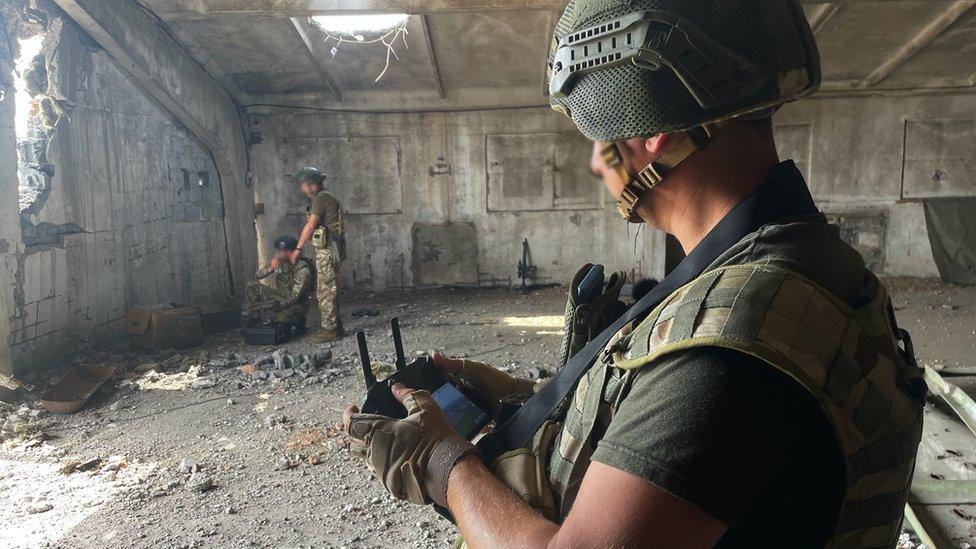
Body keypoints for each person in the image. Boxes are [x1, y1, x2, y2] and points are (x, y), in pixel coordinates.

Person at [342, 1, 926, 547]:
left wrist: (441, 461)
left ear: (652, 134)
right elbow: (670, 435)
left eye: (599, 138)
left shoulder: (735, 347)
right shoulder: (784, 259)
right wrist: (517, 395)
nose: (598, 162)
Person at [291, 166, 346, 343]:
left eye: (303, 185)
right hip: (332, 249)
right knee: (330, 289)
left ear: (311, 184)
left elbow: (310, 225)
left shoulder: (321, 199)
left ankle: (330, 331)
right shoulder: (327, 196)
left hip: (327, 250)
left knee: (325, 291)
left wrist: (297, 249)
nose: (302, 189)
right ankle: (336, 327)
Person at [243, 235, 314, 332]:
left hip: (297, 304)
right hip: (280, 296)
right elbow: (258, 276)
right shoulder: (281, 262)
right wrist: (270, 268)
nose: (277, 253)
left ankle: (299, 321)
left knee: (281, 317)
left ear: (289, 252)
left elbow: (295, 297)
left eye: (280, 251)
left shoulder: (302, 270)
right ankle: (254, 321)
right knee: (251, 286)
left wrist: (277, 306)